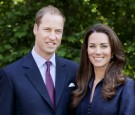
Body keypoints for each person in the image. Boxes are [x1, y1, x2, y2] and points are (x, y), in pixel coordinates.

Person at [0, 5, 79, 115]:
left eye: (58, 31)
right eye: (47, 29)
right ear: (35, 29)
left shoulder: (73, 69)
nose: (52, 37)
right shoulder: (10, 75)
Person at [71, 23, 135, 115]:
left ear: (112, 51)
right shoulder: (80, 84)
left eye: (104, 46)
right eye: (92, 46)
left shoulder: (126, 87)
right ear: (87, 50)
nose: (97, 52)